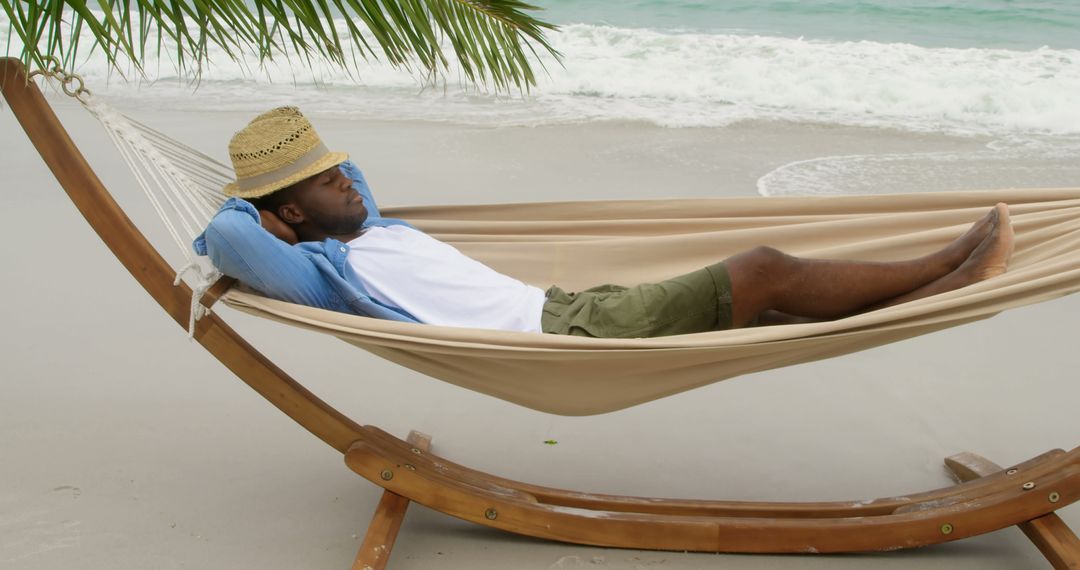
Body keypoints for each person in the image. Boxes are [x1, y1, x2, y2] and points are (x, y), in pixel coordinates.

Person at [194, 107, 1014, 338]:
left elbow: (353, 184)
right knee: (763, 268)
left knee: (767, 303)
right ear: (290, 212)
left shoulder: (374, 229)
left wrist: (302, 184)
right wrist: (260, 210)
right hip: (558, 336)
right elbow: (230, 236)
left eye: (342, 170)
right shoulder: (331, 273)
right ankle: (947, 268)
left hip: (572, 308)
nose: (350, 182)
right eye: (329, 181)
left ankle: (931, 287)